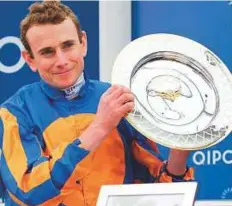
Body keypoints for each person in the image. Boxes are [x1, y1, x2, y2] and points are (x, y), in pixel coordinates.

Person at [0, 1, 194, 206]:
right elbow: (29, 190)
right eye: (47, 52)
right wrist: (100, 127)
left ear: (83, 43)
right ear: (29, 59)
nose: (62, 60)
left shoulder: (119, 100)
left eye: (68, 45)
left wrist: (180, 153)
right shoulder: (15, 112)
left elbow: (157, 190)